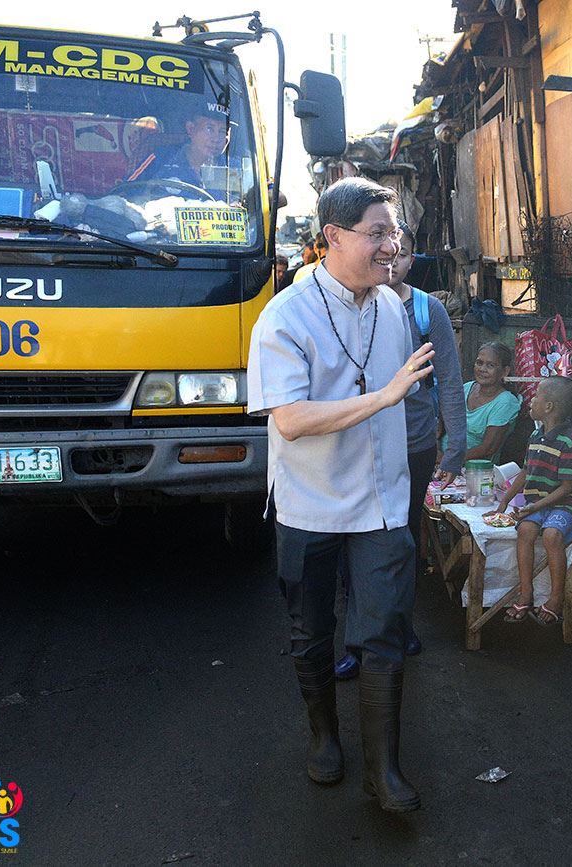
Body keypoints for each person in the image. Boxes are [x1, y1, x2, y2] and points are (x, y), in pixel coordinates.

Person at [247, 176, 433, 813]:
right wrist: (383, 397)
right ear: (332, 236)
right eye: (377, 233)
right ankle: (324, 737)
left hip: (382, 502)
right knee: (312, 630)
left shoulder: (392, 309)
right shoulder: (285, 316)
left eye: (394, 233)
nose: (391, 246)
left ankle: (384, 770)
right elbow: (291, 420)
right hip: (310, 502)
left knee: (384, 632)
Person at [334, 223, 466, 680]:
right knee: (354, 540)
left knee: (403, 539)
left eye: (403, 253)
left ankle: (400, 625)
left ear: (412, 259)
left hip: (414, 443)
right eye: (384, 250)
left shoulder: (428, 311)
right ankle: (357, 639)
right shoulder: (347, 304)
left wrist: (455, 446)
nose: (392, 261)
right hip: (357, 441)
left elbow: (450, 379)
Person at [485, 376, 572, 626]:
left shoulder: (569, 443)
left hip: (567, 504)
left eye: (537, 396)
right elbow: (525, 471)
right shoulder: (535, 436)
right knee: (525, 531)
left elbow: (566, 489)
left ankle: (556, 598)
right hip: (539, 503)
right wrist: (505, 501)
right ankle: (526, 593)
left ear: (549, 407)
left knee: (552, 535)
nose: (531, 400)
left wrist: (534, 506)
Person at [443, 341, 521, 463]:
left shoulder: (506, 402)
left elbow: (487, 448)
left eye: (490, 365)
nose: (482, 369)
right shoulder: (466, 388)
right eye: (479, 363)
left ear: (505, 371)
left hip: (472, 468)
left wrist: (448, 461)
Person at [131, 102, 231, 191]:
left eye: (223, 131)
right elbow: (127, 192)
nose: (216, 139)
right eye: (209, 129)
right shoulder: (161, 159)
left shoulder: (233, 169)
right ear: (191, 129)